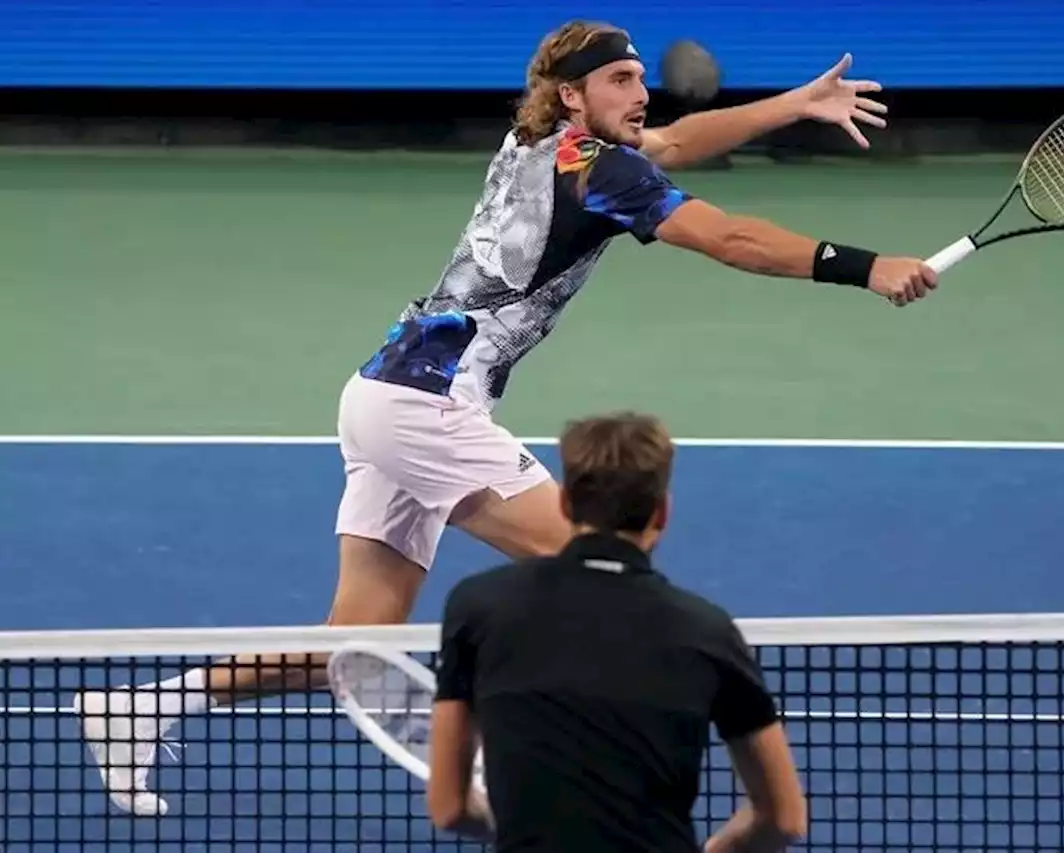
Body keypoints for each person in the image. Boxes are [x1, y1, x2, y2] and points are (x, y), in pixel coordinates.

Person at [76, 19, 937, 816]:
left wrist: (793, 104)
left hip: (382, 395)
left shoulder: (542, 141)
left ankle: (145, 703)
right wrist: (862, 268)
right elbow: (730, 239)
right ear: (573, 94)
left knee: (354, 641)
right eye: (620, 79)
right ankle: (539, 751)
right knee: (591, 564)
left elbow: (673, 141)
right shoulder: (603, 171)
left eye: (641, 77)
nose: (641, 92)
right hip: (426, 406)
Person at [427, 412, 807, 852]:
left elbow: (449, 808)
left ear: (565, 503)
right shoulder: (708, 631)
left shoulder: (478, 607)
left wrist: (529, 829)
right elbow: (783, 818)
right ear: (662, 512)